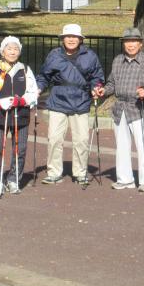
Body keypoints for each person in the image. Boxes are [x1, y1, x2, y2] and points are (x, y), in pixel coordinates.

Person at [36, 24, 104, 185]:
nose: (71, 39)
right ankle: (54, 172)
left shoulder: (90, 55)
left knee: (81, 140)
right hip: (58, 100)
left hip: (81, 101)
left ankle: (80, 172)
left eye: (75, 37)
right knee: (54, 139)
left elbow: (97, 76)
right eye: (68, 36)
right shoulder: (54, 55)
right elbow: (44, 75)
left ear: (80, 39)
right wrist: (38, 88)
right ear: (62, 39)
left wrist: (97, 87)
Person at [97, 27, 144, 193]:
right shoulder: (118, 60)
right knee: (122, 145)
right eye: (127, 41)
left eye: (134, 41)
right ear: (123, 44)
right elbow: (111, 83)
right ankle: (125, 179)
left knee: (143, 144)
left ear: (140, 44)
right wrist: (105, 90)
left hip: (139, 107)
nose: (130, 45)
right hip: (120, 108)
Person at [0, 36, 39, 194]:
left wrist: (22, 101)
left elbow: (33, 92)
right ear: (2, 51)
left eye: (16, 49)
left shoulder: (25, 69)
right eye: (9, 48)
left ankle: (14, 179)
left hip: (20, 115)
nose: (12, 52)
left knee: (19, 149)